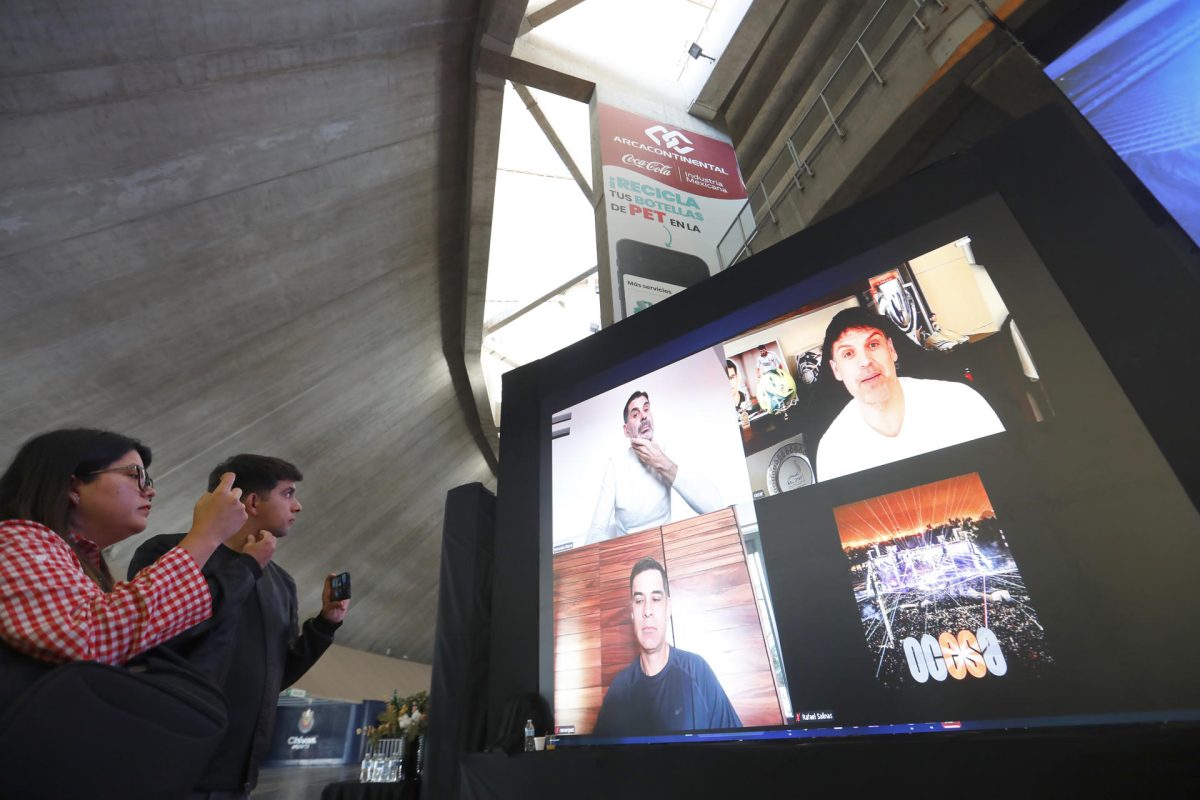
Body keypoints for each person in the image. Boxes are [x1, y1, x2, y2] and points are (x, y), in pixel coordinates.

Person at [129, 454, 350, 798]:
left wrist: (325, 625)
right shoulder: (170, 553)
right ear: (252, 501)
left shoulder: (281, 583)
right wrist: (246, 567)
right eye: (288, 493)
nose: (298, 506)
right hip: (168, 763)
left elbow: (276, 675)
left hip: (236, 776)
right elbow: (164, 636)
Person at [0, 428, 249, 676]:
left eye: (148, 480)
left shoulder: (76, 560)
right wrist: (206, 535)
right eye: (135, 475)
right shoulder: (15, 540)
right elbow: (86, 640)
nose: (150, 490)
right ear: (73, 486)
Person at [816, 307, 1004, 481]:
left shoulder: (961, 402)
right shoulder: (832, 452)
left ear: (891, 350)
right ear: (836, 370)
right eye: (848, 354)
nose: (865, 361)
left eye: (873, 345)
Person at [592, 557, 741, 736]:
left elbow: (736, 747)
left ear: (668, 608)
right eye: (639, 601)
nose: (647, 610)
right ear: (632, 613)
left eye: (656, 599)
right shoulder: (619, 689)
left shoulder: (697, 671)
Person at [585, 391, 722, 544]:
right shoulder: (615, 466)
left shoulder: (667, 451)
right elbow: (594, 534)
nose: (643, 416)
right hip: (630, 557)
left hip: (665, 549)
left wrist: (660, 462)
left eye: (646, 409)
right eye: (635, 415)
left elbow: (715, 506)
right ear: (626, 430)